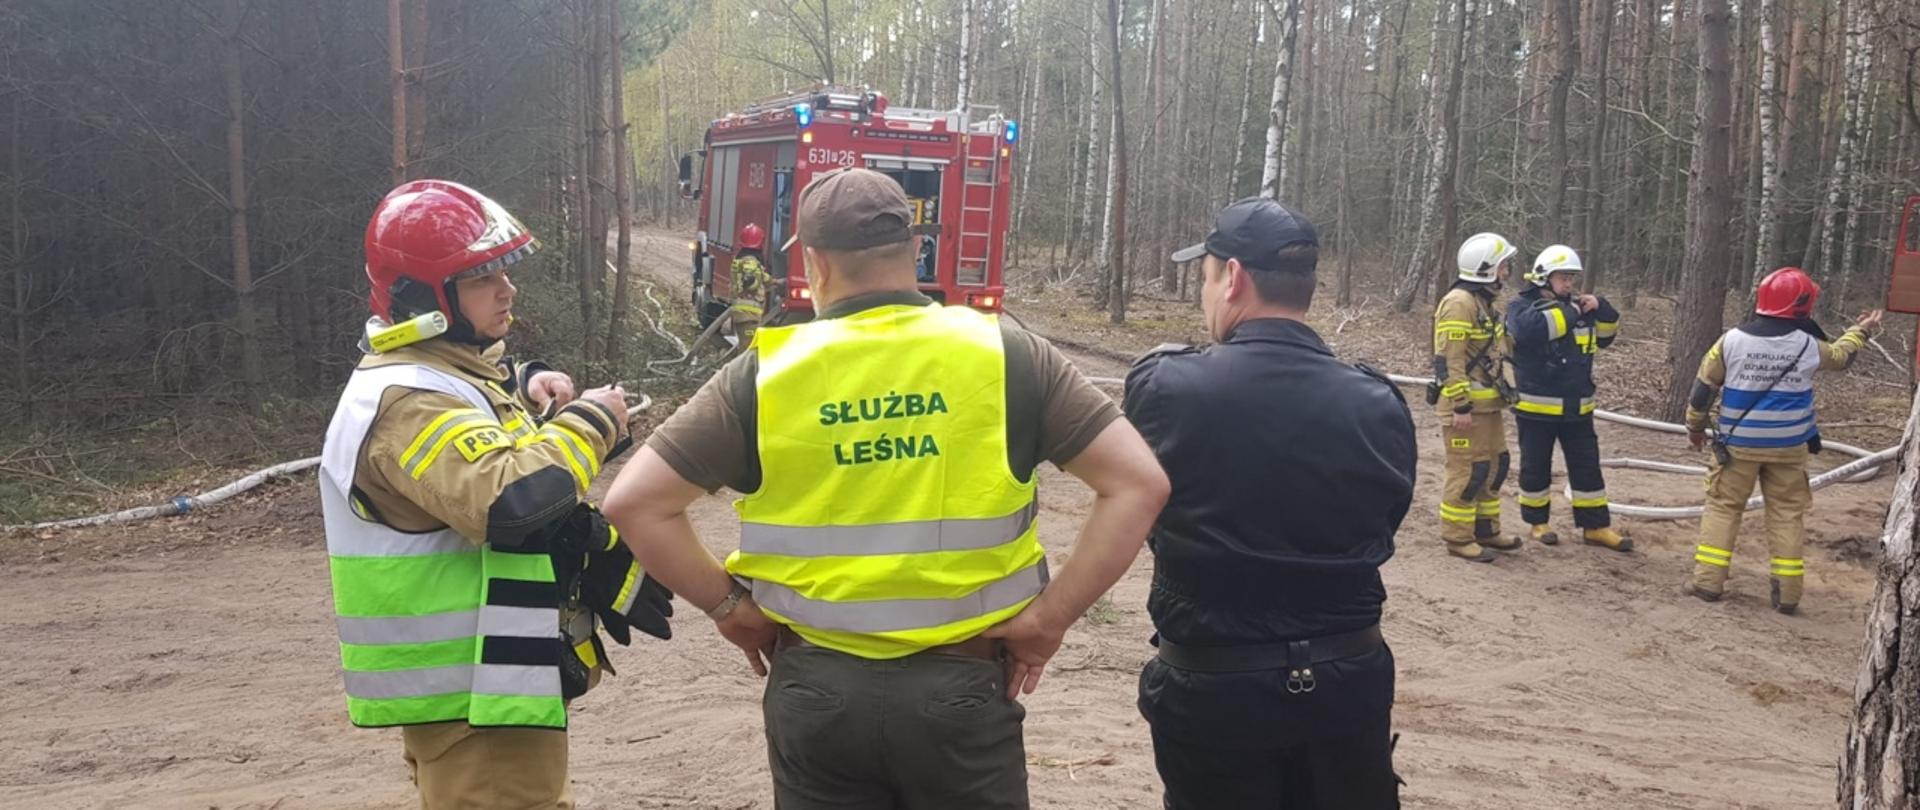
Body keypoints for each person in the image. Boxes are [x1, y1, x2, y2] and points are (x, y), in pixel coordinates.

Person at [600, 167, 1169, 809]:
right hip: (962, 688)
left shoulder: (766, 372)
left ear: (815, 264)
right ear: (915, 251)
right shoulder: (1003, 351)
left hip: (817, 693)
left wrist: (730, 609)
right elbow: (1137, 484)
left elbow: (634, 503)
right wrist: (1050, 619)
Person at [319, 179, 673, 809]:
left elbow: (484, 413)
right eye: (482, 277)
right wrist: (591, 421)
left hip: (488, 696)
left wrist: (532, 382)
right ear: (424, 296)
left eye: (504, 271)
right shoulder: (411, 403)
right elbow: (513, 500)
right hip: (475, 705)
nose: (507, 289)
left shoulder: (441, 372)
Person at [1131, 197, 1415, 808]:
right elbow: (1385, 523)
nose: (1205, 296)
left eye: (1205, 278)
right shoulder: (1379, 402)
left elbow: (1141, 510)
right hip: (1349, 683)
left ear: (1232, 278)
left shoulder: (1166, 386)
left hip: (1214, 689)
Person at [1683, 267, 1882, 614]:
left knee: (1724, 508)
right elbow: (1841, 356)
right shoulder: (1808, 345)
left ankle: (1707, 582)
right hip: (1789, 447)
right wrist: (1860, 331)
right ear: (1802, 306)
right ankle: (1788, 594)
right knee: (1787, 514)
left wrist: (1695, 427)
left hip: (1737, 446)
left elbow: (1704, 388)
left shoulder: (1730, 341)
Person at [1504, 245, 1630, 551]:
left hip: (1578, 409)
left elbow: (1606, 336)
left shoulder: (1578, 308)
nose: (1569, 284)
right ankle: (1537, 523)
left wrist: (1602, 306)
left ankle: (1595, 527)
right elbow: (1535, 331)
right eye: (1564, 277)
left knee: (1587, 468)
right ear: (1544, 277)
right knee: (1536, 467)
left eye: (1572, 278)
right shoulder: (1522, 307)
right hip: (1537, 408)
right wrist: (1574, 311)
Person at [1432, 233, 1522, 562]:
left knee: (1495, 466)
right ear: (1487, 270)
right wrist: (1461, 405)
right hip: (1465, 409)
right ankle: (1457, 538)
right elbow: (1449, 359)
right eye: (1503, 266)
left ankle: (1487, 530)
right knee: (1468, 472)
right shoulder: (1459, 302)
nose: (1507, 271)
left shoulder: (1485, 303)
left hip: (1488, 406)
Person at [730, 222, 772, 350]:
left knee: (746, 347)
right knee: (749, 350)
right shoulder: (750, 261)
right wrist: (752, 284)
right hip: (749, 316)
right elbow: (751, 280)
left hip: (742, 315)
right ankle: (744, 370)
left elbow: (762, 277)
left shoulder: (741, 261)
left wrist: (776, 282)